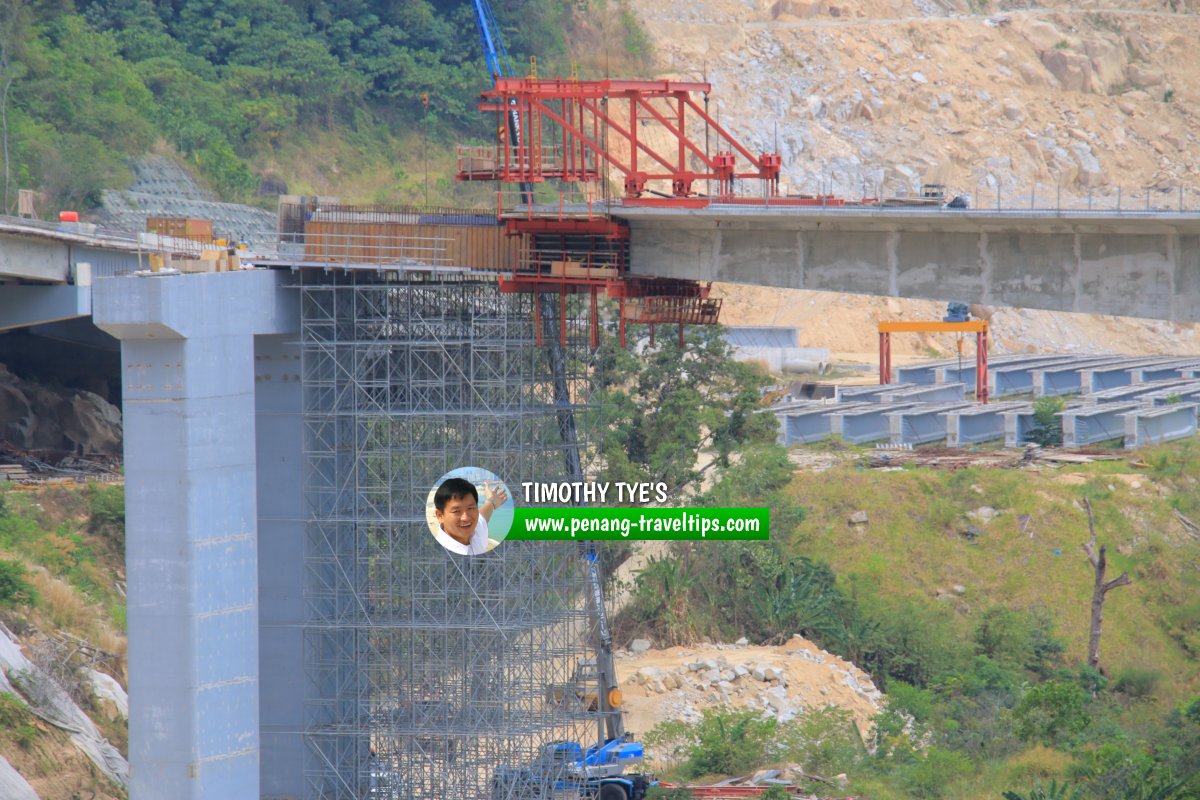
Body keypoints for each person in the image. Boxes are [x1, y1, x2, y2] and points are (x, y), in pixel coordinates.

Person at [431, 477, 508, 555]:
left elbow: (483, 516)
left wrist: (491, 502)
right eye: (456, 511)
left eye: (470, 508)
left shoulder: (475, 532)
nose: (466, 518)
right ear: (440, 516)